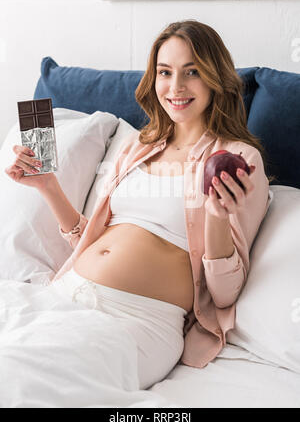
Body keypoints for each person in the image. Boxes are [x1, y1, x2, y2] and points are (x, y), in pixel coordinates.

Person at [5, 20, 273, 391]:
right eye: (165, 72)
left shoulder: (239, 160)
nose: (175, 87)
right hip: (65, 295)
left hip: (135, 321)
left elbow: (225, 295)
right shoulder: (140, 146)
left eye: (191, 72)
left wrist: (215, 217)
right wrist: (48, 186)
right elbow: (93, 239)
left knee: (26, 382)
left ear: (215, 78)